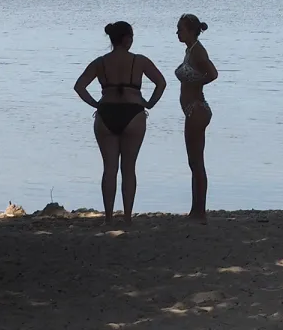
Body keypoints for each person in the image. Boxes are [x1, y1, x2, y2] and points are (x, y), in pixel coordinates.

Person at [74, 21, 167, 223]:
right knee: (129, 168)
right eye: (131, 37)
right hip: (133, 113)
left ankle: (108, 217)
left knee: (109, 169)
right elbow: (161, 82)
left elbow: (79, 86)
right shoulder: (139, 61)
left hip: (106, 113)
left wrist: (96, 104)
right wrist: (149, 103)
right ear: (126, 39)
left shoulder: (100, 62)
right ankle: (126, 217)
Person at [175, 13, 218, 222]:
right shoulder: (190, 50)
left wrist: (196, 81)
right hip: (193, 109)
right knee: (193, 162)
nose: (177, 32)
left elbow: (213, 73)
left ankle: (200, 212)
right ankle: (196, 209)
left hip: (197, 109)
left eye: (180, 29)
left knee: (196, 162)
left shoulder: (198, 51)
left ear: (192, 31)